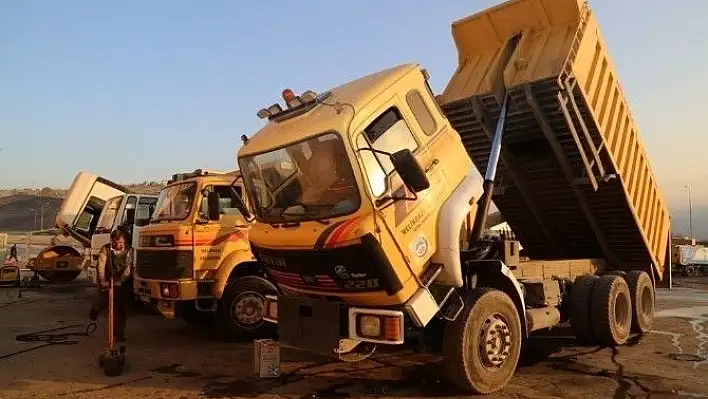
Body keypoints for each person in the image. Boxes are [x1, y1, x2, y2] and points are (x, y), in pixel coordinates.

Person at [89, 229, 134, 341]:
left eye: (120, 242)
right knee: (102, 301)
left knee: (121, 309)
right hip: (107, 278)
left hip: (122, 282)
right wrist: (103, 280)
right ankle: (96, 308)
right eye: (114, 242)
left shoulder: (129, 250)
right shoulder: (105, 249)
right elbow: (101, 266)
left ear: (124, 242)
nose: (117, 245)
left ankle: (119, 334)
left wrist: (121, 281)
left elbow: (128, 269)